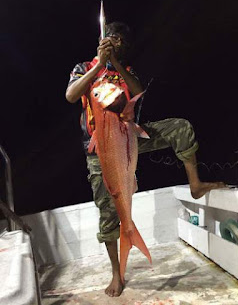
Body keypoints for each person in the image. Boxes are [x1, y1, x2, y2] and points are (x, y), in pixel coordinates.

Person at [65, 22, 226, 297]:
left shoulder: (126, 71)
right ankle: (117, 273)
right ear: (102, 39)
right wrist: (99, 65)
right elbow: (71, 95)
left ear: (124, 48)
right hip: (100, 149)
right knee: (108, 214)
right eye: (111, 38)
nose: (114, 42)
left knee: (180, 127)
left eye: (120, 42)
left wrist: (114, 62)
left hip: (129, 137)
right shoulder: (83, 68)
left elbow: (137, 91)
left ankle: (196, 185)